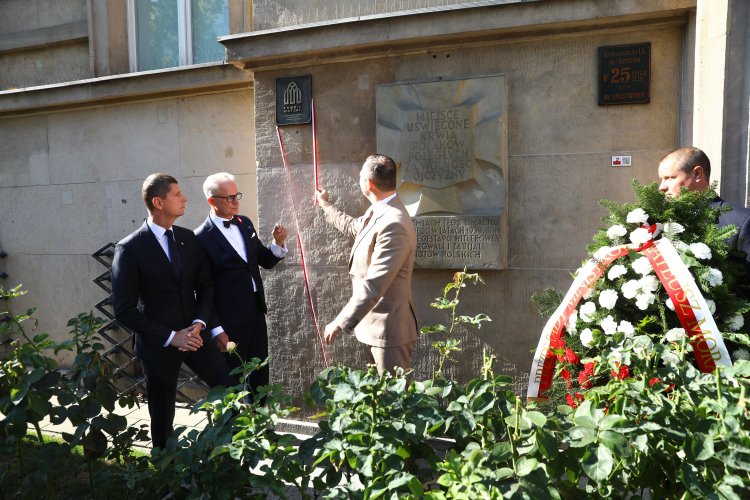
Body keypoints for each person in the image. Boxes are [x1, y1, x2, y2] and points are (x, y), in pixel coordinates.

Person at [112, 174, 236, 449]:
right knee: (162, 415)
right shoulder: (129, 248)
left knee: (231, 392)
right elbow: (124, 310)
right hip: (158, 344)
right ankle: (166, 475)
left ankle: (227, 460)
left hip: (196, 337)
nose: (185, 198)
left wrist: (200, 323)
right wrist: (171, 337)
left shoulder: (187, 238)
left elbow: (204, 286)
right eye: (177, 194)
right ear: (158, 202)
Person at [315, 154, 419, 383]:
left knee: (394, 404)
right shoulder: (380, 210)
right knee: (377, 407)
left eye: (360, 176)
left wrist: (340, 321)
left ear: (368, 184)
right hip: (372, 326)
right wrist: (325, 205)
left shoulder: (394, 223)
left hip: (389, 330)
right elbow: (354, 227)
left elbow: (374, 284)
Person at [194, 173, 288, 402]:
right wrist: (216, 330)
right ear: (211, 201)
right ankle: (234, 433)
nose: (235, 201)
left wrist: (278, 243)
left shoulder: (244, 223)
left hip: (255, 313)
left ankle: (261, 429)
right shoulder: (199, 238)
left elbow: (264, 260)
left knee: (259, 374)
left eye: (237, 196)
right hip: (228, 320)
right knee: (232, 381)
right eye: (229, 198)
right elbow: (201, 290)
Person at [658, 147, 750, 280]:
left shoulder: (742, 221)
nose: (662, 187)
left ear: (697, 174)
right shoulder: (660, 222)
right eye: (662, 179)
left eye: (669, 178)